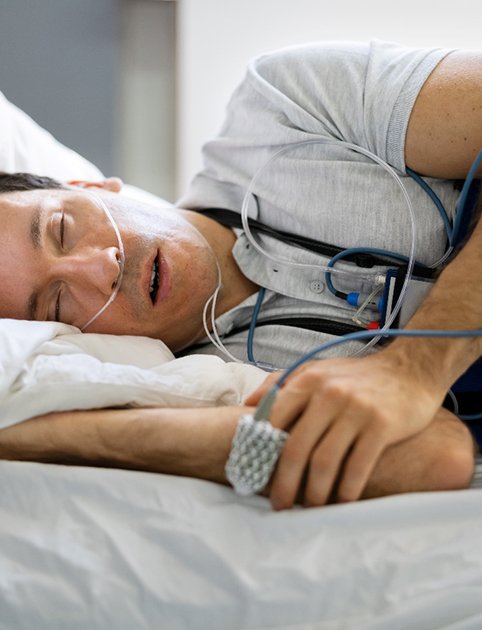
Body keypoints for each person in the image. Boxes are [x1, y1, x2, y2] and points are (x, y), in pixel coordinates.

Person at [0, 41, 480, 509]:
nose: (102, 268)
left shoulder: (283, 106)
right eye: (58, 303)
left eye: (62, 229)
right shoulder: (206, 391)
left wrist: (413, 369)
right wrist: (46, 436)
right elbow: (439, 457)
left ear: (91, 186)